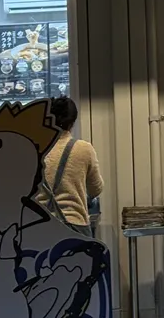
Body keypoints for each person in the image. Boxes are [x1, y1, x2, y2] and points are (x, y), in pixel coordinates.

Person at [44, 97, 104, 235]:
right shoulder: (84, 149)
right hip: (75, 225)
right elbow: (96, 189)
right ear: (72, 122)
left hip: (41, 227)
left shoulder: (36, 149)